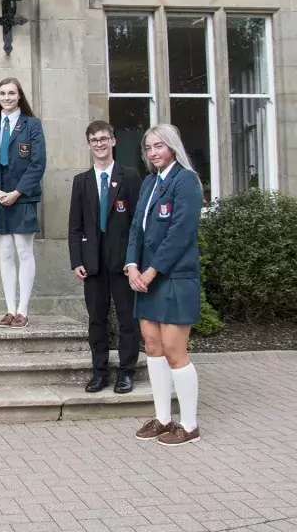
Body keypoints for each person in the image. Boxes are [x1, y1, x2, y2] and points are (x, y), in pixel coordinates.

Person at [126, 124, 204, 446]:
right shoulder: (149, 183)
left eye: (159, 146)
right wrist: (132, 265)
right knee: (153, 348)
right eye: (148, 148)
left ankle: (189, 425)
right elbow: (136, 229)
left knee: (174, 351)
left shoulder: (186, 180)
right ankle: (162, 418)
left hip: (173, 278)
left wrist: (152, 270)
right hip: (146, 278)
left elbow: (180, 233)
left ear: (172, 146)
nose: (153, 152)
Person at [68, 121, 142, 394]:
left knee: (126, 320)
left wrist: (134, 260)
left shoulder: (130, 176)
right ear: (89, 145)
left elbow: (137, 224)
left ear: (113, 141)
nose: (99, 144)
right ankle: (99, 373)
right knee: (96, 320)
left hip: (123, 264)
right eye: (93, 140)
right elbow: (75, 226)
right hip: (92, 265)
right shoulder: (81, 181)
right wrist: (77, 260)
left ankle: (126, 372)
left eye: (103, 138)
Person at [0, 77, 46, 329]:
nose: (6, 97)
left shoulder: (32, 125)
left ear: (19, 97)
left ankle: (22, 311)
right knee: (5, 253)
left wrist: (16, 192)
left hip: (23, 196)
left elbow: (38, 164)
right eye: (2, 93)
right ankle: (9, 309)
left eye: (11, 93)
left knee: (23, 251)